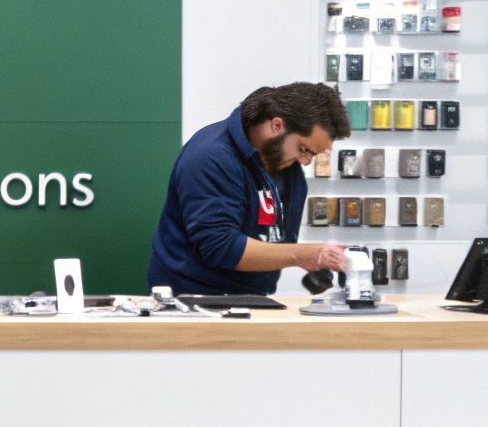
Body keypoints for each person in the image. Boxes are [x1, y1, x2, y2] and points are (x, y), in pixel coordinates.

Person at [148, 82, 352, 296]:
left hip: (250, 298)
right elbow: (220, 247)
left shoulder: (285, 167)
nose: (306, 161)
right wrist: (303, 255)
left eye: (313, 154)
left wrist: (310, 258)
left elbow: (277, 238)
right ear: (276, 125)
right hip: (193, 301)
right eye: (304, 149)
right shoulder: (211, 157)